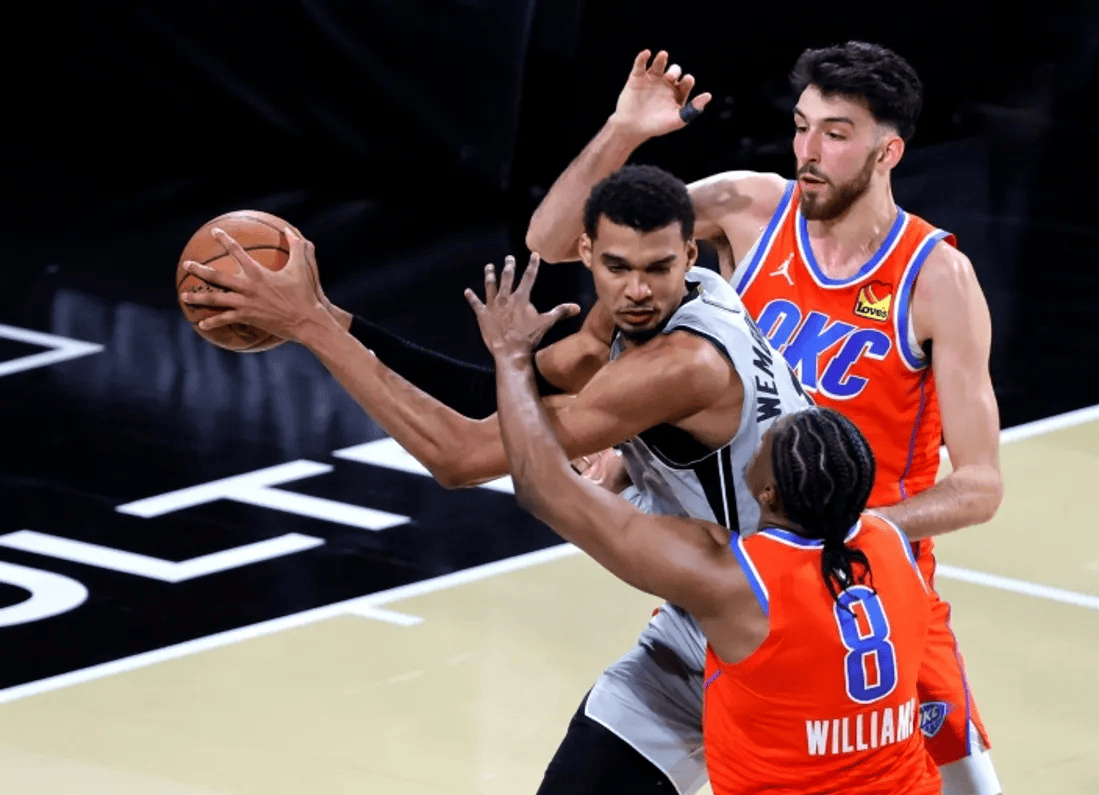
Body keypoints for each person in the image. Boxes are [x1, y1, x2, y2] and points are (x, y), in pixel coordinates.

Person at [179, 163, 815, 794]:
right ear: (588, 254)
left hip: (782, 636)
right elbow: (494, 401)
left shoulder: (682, 364)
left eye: (657, 268)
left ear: (688, 254)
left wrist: (309, 327)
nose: (638, 290)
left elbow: (459, 456)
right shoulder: (680, 298)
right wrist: (326, 313)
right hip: (704, 620)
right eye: (618, 268)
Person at [525, 42, 1004, 794]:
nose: (808, 151)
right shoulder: (748, 208)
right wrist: (625, 132)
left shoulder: (937, 279)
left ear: (888, 152)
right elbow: (553, 242)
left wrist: (847, 528)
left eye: (836, 134)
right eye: (802, 126)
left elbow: (979, 486)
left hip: (867, 600)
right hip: (734, 589)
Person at [467, 251, 939, 794]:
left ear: (768, 495)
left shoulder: (736, 580)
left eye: (767, 442)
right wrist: (633, 471)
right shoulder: (889, 543)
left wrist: (512, 359)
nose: (760, 433)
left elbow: (542, 486)